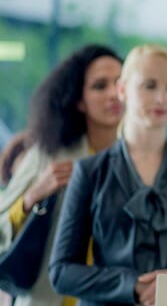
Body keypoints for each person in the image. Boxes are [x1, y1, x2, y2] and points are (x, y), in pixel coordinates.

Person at [49, 44, 167, 306]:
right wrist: (132, 285)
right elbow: (61, 272)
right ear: (123, 90)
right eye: (150, 85)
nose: (162, 98)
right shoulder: (89, 172)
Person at [0, 44, 124, 306]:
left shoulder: (139, 162)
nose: (114, 94)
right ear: (79, 100)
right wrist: (33, 196)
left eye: (120, 83)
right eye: (100, 86)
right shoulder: (49, 154)